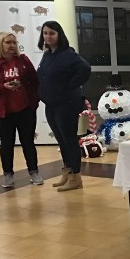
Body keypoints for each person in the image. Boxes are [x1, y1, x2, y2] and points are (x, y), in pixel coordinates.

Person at [36, 21, 91, 192]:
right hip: (51, 104)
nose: (48, 36)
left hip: (66, 104)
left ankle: (76, 176)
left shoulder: (68, 54)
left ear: (59, 35)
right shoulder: (47, 55)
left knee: (69, 140)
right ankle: (67, 172)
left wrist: (68, 86)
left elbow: (85, 69)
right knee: (61, 140)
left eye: (52, 33)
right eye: (45, 33)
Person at [0, 32, 42, 188]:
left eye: (14, 42)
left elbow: (34, 81)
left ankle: (34, 172)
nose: (12, 45)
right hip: (4, 112)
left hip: (25, 109)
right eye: (8, 42)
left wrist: (34, 102)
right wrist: (3, 87)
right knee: (7, 144)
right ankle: (8, 175)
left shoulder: (23, 60)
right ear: (0, 44)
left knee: (28, 142)